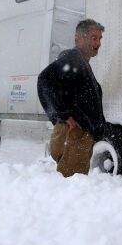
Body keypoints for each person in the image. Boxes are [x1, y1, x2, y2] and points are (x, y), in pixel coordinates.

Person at [37, 19, 106, 177]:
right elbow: (45, 80)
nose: (98, 43)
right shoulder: (72, 59)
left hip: (78, 135)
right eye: (94, 38)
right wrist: (63, 115)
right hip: (75, 134)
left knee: (72, 185)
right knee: (72, 184)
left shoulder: (81, 63)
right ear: (78, 39)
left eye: (100, 38)